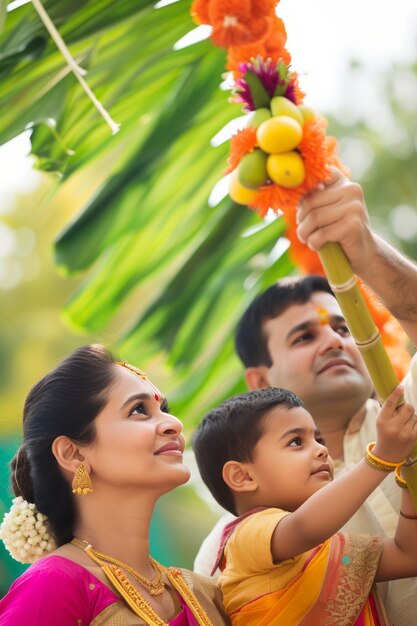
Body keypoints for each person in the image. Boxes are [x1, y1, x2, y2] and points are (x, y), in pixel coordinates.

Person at [193, 168, 417, 625]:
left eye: (342, 327)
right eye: (303, 337)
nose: (335, 342)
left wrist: (367, 253)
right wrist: (386, 458)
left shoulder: (407, 410)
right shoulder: (229, 549)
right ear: (259, 381)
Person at [0, 344, 230, 626]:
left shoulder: (203, 592)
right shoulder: (54, 585)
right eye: (138, 410)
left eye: (163, 408)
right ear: (74, 454)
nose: (173, 423)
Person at [192, 385, 417, 625]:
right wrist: (381, 457)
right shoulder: (244, 537)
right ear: (243, 477)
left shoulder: (335, 550)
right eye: (296, 441)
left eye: (319, 439)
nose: (321, 450)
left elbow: (408, 557)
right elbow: (304, 527)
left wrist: (407, 475)